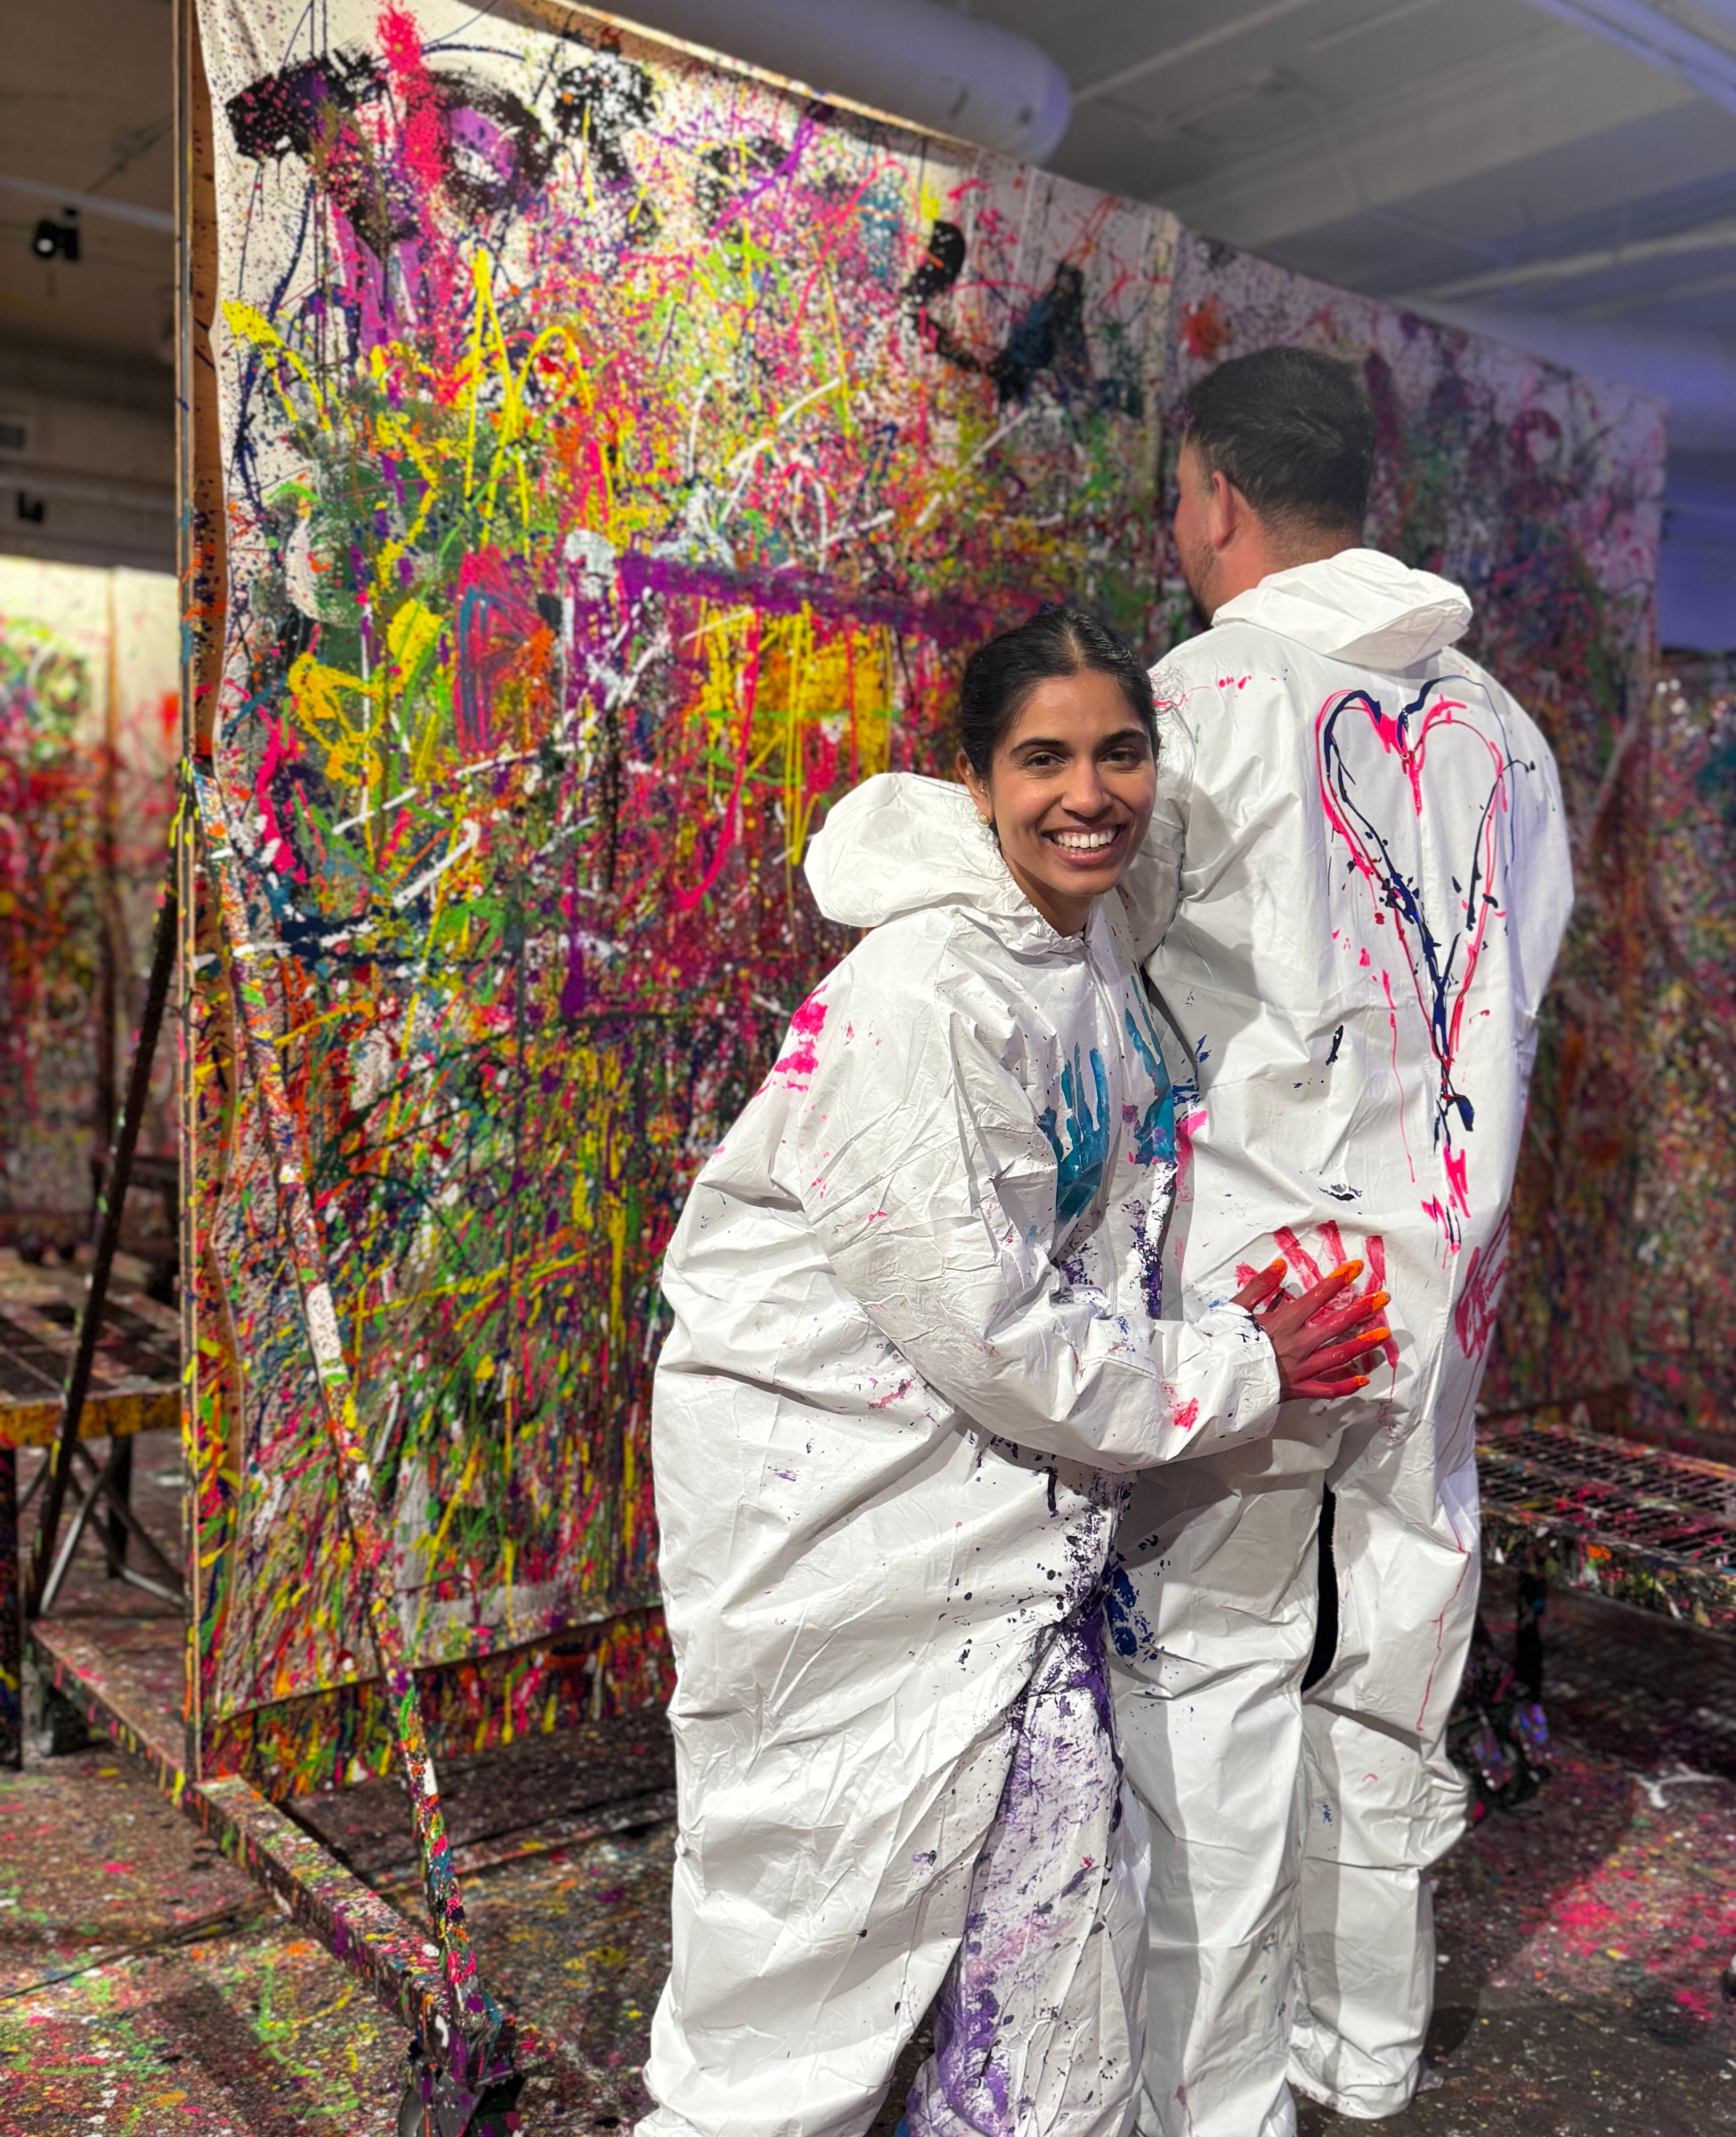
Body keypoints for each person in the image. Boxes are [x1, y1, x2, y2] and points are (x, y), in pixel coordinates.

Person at [639, 606, 1393, 2137]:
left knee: (1039, 1952)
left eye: (1122, 753)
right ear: (975, 780)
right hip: (840, 1529)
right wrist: (1240, 1367)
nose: (1089, 795)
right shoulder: (922, 992)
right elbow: (987, 1330)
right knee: (808, 1968)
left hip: (986, 1528)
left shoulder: (1077, 940)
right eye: (1044, 760)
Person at [1110, 347, 1576, 2132]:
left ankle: (1209, 2087)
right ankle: (1366, 2050)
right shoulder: (1503, 731)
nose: (1178, 528)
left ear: (1220, 496)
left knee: (1208, 1678)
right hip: (1440, 1279)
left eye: (1179, 498)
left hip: (1256, 1295)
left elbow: (1108, 981)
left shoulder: (1198, 698)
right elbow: (1515, 989)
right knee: (1396, 1665)